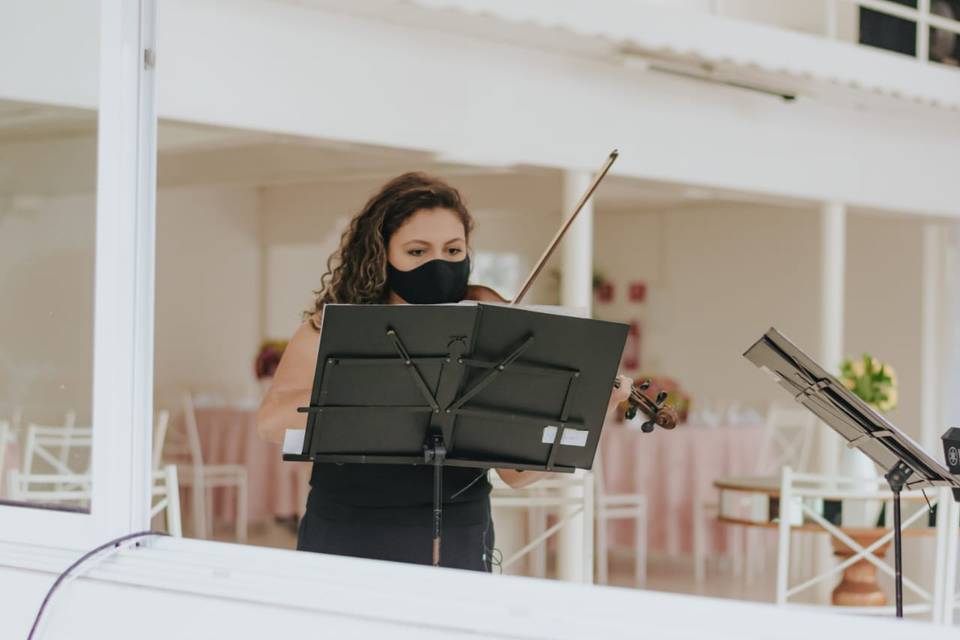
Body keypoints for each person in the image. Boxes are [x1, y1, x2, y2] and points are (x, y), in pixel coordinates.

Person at [257, 172, 632, 571]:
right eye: (418, 252)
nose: (439, 264)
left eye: (453, 251)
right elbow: (270, 424)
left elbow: (515, 474)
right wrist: (373, 375)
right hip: (349, 528)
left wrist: (593, 409)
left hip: (461, 534)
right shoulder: (328, 329)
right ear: (381, 253)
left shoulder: (490, 332)